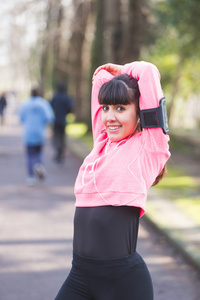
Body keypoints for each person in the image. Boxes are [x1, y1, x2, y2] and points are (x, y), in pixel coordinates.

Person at [54, 61, 170, 300]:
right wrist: (113, 79)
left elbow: (148, 72)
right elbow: (99, 79)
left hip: (122, 283)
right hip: (80, 275)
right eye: (106, 108)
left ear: (140, 112)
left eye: (121, 108)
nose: (109, 116)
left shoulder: (148, 147)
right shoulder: (101, 143)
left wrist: (123, 69)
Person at [19, 87, 54, 185]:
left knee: (29, 154)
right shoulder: (43, 104)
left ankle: (30, 176)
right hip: (39, 132)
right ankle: (39, 164)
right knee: (38, 152)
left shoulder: (25, 104)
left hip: (28, 132)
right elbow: (49, 117)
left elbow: (21, 117)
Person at [51, 82, 73, 162]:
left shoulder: (55, 97)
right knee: (62, 137)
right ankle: (61, 153)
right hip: (63, 120)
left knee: (56, 137)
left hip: (56, 119)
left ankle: (58, 152)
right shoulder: (66, 97)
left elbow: (51, 105)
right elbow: (70, 107)